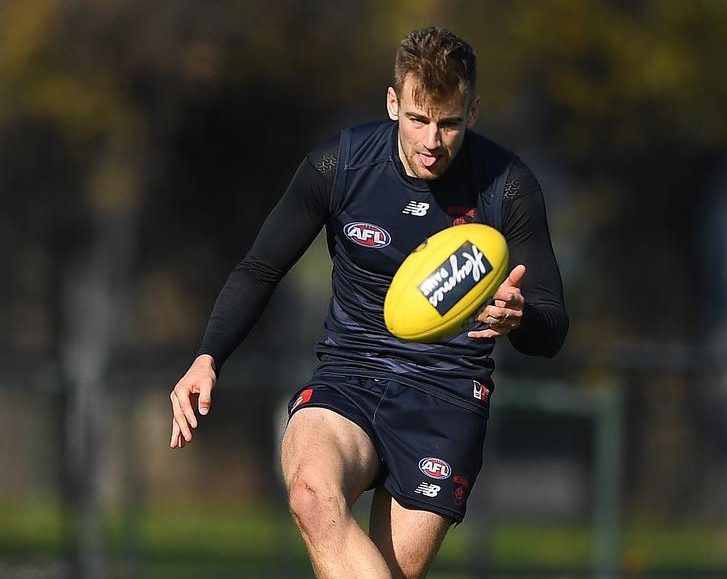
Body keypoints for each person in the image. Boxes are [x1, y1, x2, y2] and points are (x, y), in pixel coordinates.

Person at [169, 26, 568, 578]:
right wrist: (208, 356)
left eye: (449, 123)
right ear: (392, 103)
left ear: (473, 112)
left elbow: (552, 324)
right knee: (311, 495)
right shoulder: (340, 166)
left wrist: (519, 319)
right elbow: (261, 267)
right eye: (418, 119)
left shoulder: (507, 185)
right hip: (349, 375)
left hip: (447, 395)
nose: (433, 141)